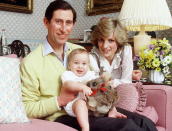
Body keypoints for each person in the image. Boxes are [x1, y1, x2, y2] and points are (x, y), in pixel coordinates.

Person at [20, 0, 157, 131]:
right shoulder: (31, 62)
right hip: (63, 116)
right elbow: (27, 108)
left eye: (68, 23)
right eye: (58, 22)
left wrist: (111, 108)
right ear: (46, 22)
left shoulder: (79, 51)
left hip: (94, 108)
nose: (63, 29)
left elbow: (97, 84)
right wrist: (60, 100)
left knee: (144, 122)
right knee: (127, 127)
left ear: (73, 24)